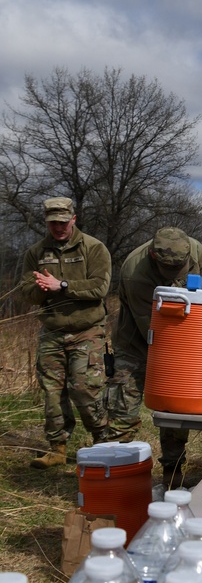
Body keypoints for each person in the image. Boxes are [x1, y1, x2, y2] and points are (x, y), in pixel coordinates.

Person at [108, 227, 202, 488]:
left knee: (175, 408)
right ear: (154, 258)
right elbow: (153, 327)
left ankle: (172, 471)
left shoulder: (197, 252)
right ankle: (120, 476)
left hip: (181, 341)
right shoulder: (135, 271)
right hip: (137, 342)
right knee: (122, 407)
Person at [19, 197, 112, 468]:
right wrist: (41, 288)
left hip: (87, 330)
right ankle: (57, 448)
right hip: (52, 330)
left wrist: (62, 285)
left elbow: (99, 288)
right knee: (52, 392)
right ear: (46, 222)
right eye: (52, 223)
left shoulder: (94, 248)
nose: (58, 228)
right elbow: (28, 293)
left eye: (62, 222)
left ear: (73, 219)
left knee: (86, 389)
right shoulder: (36, 252)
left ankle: (102, 443)